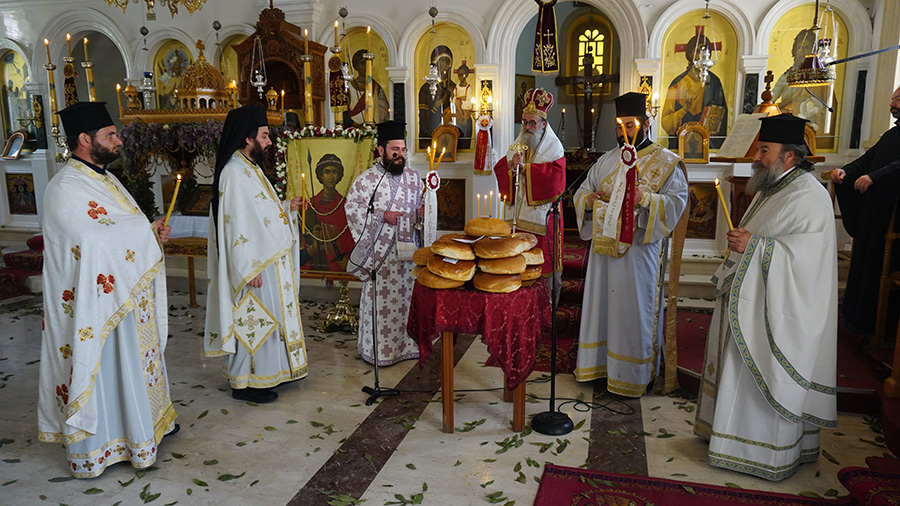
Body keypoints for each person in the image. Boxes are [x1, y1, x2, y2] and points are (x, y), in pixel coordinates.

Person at [38, 101, 177, 478]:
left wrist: (151, 232)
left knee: (134, 364)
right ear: (85, 139)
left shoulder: (106, 179)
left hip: (124, 298)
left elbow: (122, 228)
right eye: (110, 135)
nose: (119, 140)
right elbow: (91, 241)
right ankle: (105, 443)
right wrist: (143, 234)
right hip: (96, 309)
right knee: (108, 368)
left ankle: (143, 426)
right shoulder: (64, 187)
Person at [695, 115, 837, 481]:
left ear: (789, 155)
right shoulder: (771, 188)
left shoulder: (809, 195)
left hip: (780, 311)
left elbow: (806, 263)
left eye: (764, 150)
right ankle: (730, 441)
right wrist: (746, 243)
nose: (756, 158)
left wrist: (754, 246)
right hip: (753, 300)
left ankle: (765, 453)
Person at [573, 92, 689, 396]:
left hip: (638, 254)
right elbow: (582, 192)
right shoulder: (607, 159)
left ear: (646, 124)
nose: (623, 131)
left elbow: (677, 202)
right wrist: (589, 200)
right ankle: (599, 366)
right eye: (619, 125)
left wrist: (646, 198)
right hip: (603, 253)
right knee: (602, 307)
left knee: (634, 309)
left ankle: (634, 374)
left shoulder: (666, 162)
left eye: (630, 124)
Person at [204, 105, 309, 404]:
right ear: (248, 138)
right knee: (254, 321)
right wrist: (248, 268)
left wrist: (286, 208)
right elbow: (234, 225)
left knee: (267, 321)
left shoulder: (250, 168)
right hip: (254, 266)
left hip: (266, 261)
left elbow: (258, 215)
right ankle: (245, 383)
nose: (269, 141)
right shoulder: (233, 173)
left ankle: (269, 373)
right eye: (264, 135)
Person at [345, 120, 423, 365]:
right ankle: (380, 351)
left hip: (408, 258)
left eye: (403, 150)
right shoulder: (366, 180)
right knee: (381, 306)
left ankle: (409, 347)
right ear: (381, 150)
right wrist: (382, 216)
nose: (400, 155)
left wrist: (422, 214)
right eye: (394, 150)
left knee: (407, 303)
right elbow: (352, 209)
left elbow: (423, 207)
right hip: (381, 259)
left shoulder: (414, 178)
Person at [831, 86, 900, 332]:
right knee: (864, 260)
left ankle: (878, 325)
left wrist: (874, 177)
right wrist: (845, 171)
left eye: (898, 99)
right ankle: (856, 315)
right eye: (892, 98)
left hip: (892, 219)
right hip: (874, 214)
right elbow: (866, 160)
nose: (892, 104)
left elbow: (896, 167)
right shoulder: (892, 135)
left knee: (879, 265)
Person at [492, 87, 566, 293]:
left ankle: (545, 302)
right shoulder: (518, 145)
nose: (527, 127)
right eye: (524, 122)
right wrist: (511, 166)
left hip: (541, 223)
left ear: (543, 124)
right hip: (516, 220)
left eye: (532, 123)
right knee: (516, 265)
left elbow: (556, 179)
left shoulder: (554, 148)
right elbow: (500, 168)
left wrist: (526, 169)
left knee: (541, 266)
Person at [660, 33, 728, 149]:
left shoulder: (714, 82)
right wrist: (683, 110)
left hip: (707, 146)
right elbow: (666, 123)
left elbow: (722, 118)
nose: (702, 56)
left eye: (706, 52)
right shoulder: (677, 85)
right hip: (680, 145)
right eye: (698, 51)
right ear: (690, 54)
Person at [302, 153, 355, 272]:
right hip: (315, 265)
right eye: (327, 172)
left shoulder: (347, 206)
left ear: (339, 176)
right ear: (320, 176)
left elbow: (352, 236)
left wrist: (348, 260)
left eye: (334, 172)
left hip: (339, 265)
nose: (331, 176)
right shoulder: (310, 206)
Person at [418, 45, 455, 148]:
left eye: (447, 61)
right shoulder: (426, 88)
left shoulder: (453, 87)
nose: (444, 65)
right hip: (432, 134)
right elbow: (423, 117)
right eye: (442, 61)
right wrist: (435, 107)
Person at [343, 49, 390, 128]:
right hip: (353, 130)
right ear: (356, 65)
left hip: (373, 129)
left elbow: (384, 111)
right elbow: (343, 112)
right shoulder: (348, 87)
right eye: (362, 63)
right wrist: (357, 125)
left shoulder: (376, 87)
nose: (366, 66)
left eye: (368, 63)